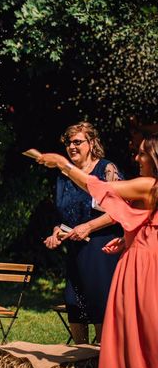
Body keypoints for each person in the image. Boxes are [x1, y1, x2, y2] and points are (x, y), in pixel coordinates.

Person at [37, 134, 158, 368]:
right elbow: (149, 219)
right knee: (144, 333)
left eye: (142, 154)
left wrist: (61, 162)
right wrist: (128, 241)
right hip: (142, 256)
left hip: (143, 268)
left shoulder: (149, 185)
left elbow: (99, 188)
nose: (136, 158)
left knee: (141, 332)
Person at [43, 122, 122, 343]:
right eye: (68, 143)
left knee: (100, 305)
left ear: (92, 143)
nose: (71, 146)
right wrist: (57, 231)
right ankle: (80, 365)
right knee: (75, 305)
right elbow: (63, 214)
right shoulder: (63, 176)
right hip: (76, 250)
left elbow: (121, 211)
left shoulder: (106, 169)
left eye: (77, 141)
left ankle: (102, 365)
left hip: (102, 249)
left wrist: (89, 226)